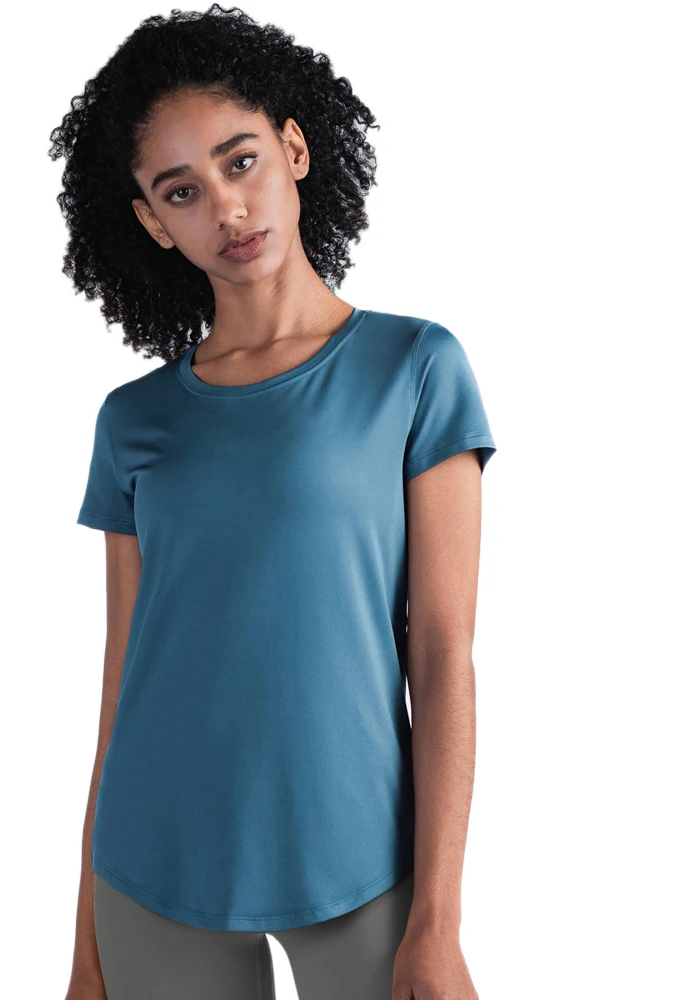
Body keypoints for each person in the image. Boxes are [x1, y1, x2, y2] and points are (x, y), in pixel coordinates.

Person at [49, 7, 496, 999]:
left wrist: (438, 919)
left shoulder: (414, 368)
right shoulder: (133, 421)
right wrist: (84, 948)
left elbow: (440, 654)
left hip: (360, 861)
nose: (226, 207)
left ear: (294, 149)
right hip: (151, 864)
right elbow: (121, 685)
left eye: (239, 160)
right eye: (182, 191)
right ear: (152, 222)